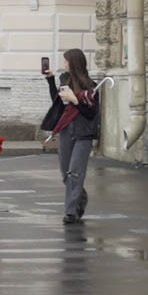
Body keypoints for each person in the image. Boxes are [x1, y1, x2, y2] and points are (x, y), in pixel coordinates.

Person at [42, 49, 101, 225]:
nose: (65, 64)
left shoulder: (91, 86)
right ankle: (80, 197)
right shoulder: (65, 81)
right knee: (65, 173)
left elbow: (92, 113)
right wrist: (51, 80)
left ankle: (71, 212)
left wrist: (76, 100)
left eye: (67, 61)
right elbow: (57, 102)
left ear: (74, 63)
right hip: (67, 131)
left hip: (83, 134)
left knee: (75, 172)